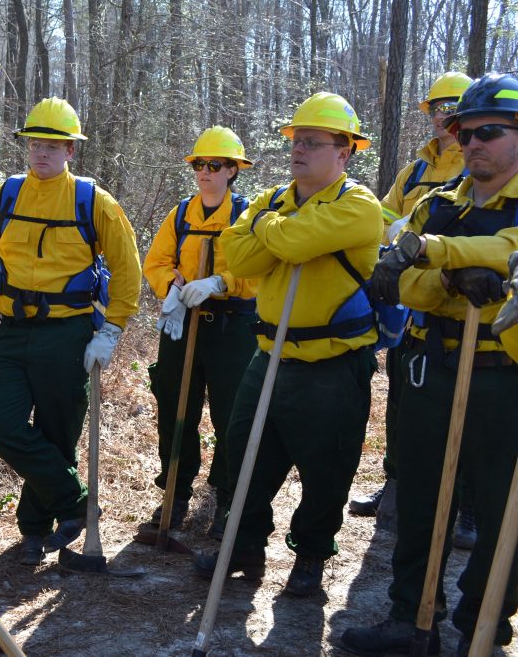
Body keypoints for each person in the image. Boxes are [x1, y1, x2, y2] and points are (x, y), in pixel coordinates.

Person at [341, 72, 518, 657]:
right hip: (428, 368)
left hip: (505, 379)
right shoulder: (435, 204)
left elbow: (510, 252)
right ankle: (411, 618)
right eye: (462, 132)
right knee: (420, 496)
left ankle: (483, 620)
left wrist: (437, 255)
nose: (470, 143)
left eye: (487, 131)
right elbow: (402, 285)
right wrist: (449, 278)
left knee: (503, 511)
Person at [195, 92, 382, 596]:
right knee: (245, 453)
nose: (298, 149)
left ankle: (311, 556)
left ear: (343, 153)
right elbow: (239, 255)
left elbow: (288, 244)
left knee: (326, 465)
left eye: (312, 142)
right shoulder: (275, 199)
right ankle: (244, 544)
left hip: (331, 365)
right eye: (296, 141)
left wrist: (267, 230)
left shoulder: (359, 205)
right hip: (269, 356)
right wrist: (277, 229)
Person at [0, 97, 141, 566]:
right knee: (4, 428)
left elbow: (127, 270)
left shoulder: (93, 200)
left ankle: (35, 531)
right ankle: (78, 503)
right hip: (12, 330)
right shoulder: (4, 196)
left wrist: (112, 331)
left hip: (69, 333)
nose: (41, 152)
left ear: (71, 152)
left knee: (58, 433)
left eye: (53, 145)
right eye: (35, 143)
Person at [347, 72, 476, 547]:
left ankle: (464, 508)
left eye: (451, 107)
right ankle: (397, 486)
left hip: (461, 301)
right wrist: (395, 229)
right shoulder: (415, 170)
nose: (442, 116)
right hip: (411, 300)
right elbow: (383, 214)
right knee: (402, 400)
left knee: (462, 409)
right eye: (436, 108)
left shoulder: (480, 163)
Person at [140, 126, 257, 540]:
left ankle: (226, 499)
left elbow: (256, 270)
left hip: (233, 328)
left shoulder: (247, 216)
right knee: (175, 408)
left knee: (231, 416)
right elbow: (154, 263)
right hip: (182, 324)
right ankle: (174, 491)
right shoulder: (181, 214)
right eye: (199, 165)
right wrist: (170, 286)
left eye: (215, 165)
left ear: (232, 171)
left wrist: (221, 282)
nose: (205, 172)